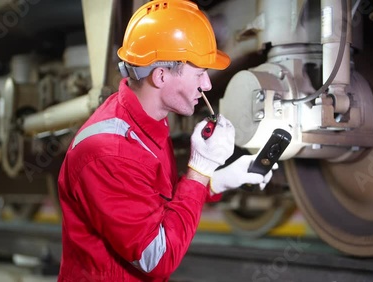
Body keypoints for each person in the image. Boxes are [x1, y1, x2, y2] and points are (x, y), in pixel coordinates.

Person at [57, 0, 274, 281]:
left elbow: (153, 200)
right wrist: (198, 171)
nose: (207, 85)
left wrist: (216, 179)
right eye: (199, 73)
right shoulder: (109, 153)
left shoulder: (145, 121)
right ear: (160, 76)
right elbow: (156, 257)